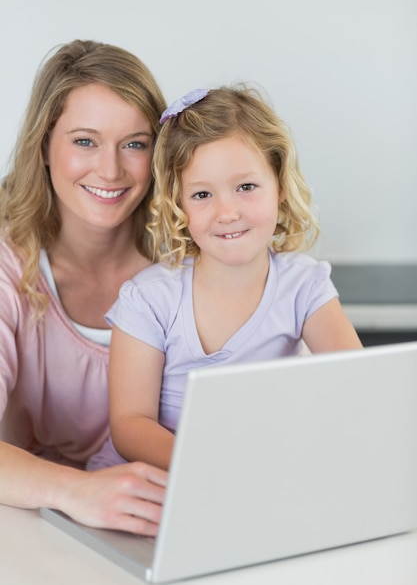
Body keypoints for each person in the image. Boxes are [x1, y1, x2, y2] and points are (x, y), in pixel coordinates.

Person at [105, 85, 363, 472]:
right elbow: (129, 425)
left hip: (266, 475)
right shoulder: (148, 300)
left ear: (278, 185)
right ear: (179, 206)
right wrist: (213, 467)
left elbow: (359, 389)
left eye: (246, 187)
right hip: (166, 477)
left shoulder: (305, 287)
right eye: (203, 195)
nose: (227, 212)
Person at [0, 39, 169, 535]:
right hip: (28, 530)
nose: (111, 170)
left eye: (135, 143)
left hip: (157, 526)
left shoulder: (187, 262)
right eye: (85, 141)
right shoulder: (9, 263)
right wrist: (78, 491)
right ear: (45, 147)